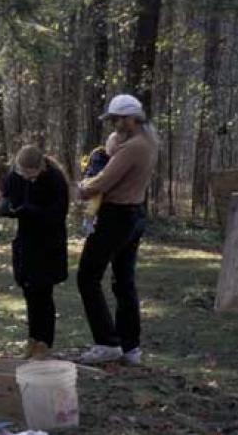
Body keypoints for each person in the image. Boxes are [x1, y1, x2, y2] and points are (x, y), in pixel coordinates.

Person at [76, 94, 158, 365]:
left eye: (117, 120)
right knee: (123, 281)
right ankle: (129, 346)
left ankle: (107, 343)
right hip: (133, 214)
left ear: (131, 119)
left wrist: (82, 188)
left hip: (116, 216)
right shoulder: (146, 139)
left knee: (87, 277)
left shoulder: (134, 147)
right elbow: (111, 144)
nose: (113, 125)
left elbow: (104, 181)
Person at [0, 145, 70, 360]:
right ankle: (32, 339)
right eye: (23, 172)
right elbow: (7, 195)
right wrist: (6, 207)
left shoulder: (55, 179)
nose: (27, 177)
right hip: (25, 242)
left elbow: (58, 214)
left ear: (41, 167)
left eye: (32, 173)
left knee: (43, 294)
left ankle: (44, 343)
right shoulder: (15, 176)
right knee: (29, 292)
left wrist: (32, 211)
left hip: (48, 244)